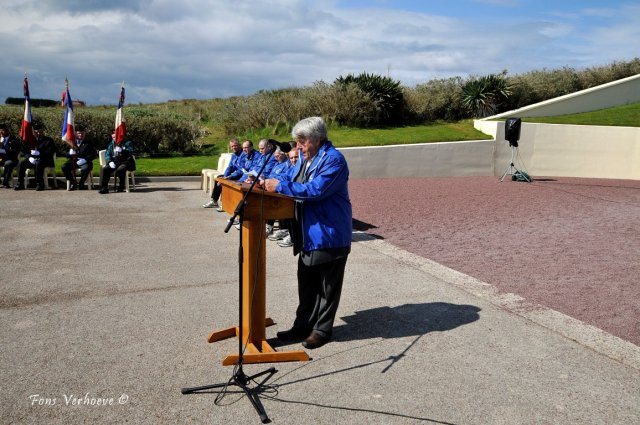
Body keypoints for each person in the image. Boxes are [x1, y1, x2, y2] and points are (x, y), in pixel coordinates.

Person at [264, 117, 352, 349]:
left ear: (317, 139)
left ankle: (322, 330)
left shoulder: (334, 161)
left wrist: (280, 186)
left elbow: (315, 191)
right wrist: (267, 182)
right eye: (297, 142)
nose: (298, 147)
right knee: (306, 284)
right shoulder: (306, 158)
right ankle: (302, 326)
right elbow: (293, 180)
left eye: (302, 142)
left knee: (326, 289)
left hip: (328, 235)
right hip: (307, 235)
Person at [203, 138, 244, 209]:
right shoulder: (234, 155)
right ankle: (214, 201)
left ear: (240, 145)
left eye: (235, 145)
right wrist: (224, 176)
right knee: (219, 178)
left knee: (225, 183)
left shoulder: (243, 155)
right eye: (232, 146)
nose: (234, 147)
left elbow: (241, 170)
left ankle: (226, 205)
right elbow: (230, 167)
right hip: (236, 174)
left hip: (241, 175)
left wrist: (229, 177)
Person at [14, 124, 56, 191]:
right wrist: (29, 157)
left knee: (39, 163)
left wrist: (40, 153)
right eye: (36, 132)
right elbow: (25, 151)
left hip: (45, 160)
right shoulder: (30, 141)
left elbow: (50, 152)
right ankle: (20, 183)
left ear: (43, 131)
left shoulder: (48, 140)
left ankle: (39, 184)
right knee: (22, 163)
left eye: (40, 132)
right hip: (32, 159)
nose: (38, 133)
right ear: (33, 132)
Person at [61, 125, 97, 190]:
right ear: (75, 134)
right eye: (79, 133)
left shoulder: (89, 143)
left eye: (82, 133)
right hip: (73, 161)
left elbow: (93, 154)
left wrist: (85, 160)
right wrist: (69, 153)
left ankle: (81, 183)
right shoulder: (71, 142)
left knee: (86, 168)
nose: (80, 135)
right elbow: (63, 153)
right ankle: (73, 183)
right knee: (64, 167)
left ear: (85, 134)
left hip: (85, 161)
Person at [0, 124, 22, 188]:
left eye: (3, 131)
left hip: (11, 159)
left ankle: (6, 181)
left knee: (8, 163)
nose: (1, 132)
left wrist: (4, 151)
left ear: (8, 132)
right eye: (0, 131)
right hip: (1, 159)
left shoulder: (14, 140)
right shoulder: (0, 139)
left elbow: (14, 151)